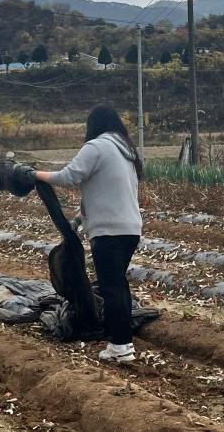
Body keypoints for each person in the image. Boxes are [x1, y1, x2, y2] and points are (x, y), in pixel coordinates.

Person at [28, 104, 143, 363]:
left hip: (108, 231)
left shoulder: (97, 146)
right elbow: (105, 189)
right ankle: (123, 341)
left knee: (111, 287)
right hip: (130, 228)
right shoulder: (125, 149)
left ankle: (120, 346)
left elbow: (69, 176)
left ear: (94, 125)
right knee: (118, 284)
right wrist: (80, 219)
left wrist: (34, 174)